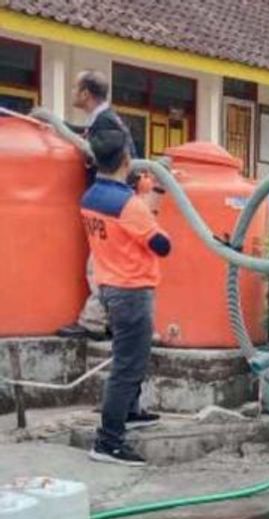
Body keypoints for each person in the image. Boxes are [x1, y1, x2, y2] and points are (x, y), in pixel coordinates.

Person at [81, 129, 171, 466]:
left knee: (131, 355)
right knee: (127, 365)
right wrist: (150, 209)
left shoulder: (89, 197)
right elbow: (163, 245)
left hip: (108, 286)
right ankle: (108, 441)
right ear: (126, 161)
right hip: (132, 290)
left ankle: (130, 411)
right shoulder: (130, 206)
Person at [58, 69, 139, 341]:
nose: (72, 94)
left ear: (85, 94)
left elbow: (102, 152)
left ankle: (94, 323)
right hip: (113, 201)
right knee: (107, 264)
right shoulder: (103, 121)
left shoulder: (107, 123)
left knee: (101, 264)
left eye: (74, 88)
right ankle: (110, 322)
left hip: (110, 202)